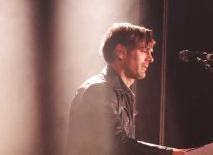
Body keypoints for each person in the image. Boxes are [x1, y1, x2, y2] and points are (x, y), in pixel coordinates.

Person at [67, 22, 186, 155]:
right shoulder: (98, 90)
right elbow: (119, 146)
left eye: (150, 52)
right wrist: (171, 153)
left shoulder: (120, 94)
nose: (151, 58)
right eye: (144, 50)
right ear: (121, 52)